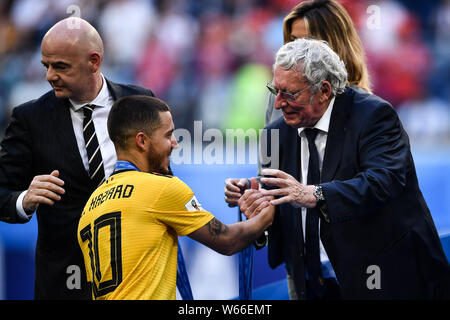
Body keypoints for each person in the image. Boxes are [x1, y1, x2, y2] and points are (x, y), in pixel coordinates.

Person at [242, 38, 450, 299]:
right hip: (314, 286)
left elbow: (383, 181)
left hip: (384, 280)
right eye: (276, 91)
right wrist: (258, 206)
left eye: (290, 94)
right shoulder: (275, 134)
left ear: (324, 90)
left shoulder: (374, 116)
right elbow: (280, 215)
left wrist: (315, 194)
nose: (278, 103)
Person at [0, 17, 155, 299]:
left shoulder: (140, 104)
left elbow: (164, 179)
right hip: (65, 282)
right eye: (45, 65)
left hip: (136, 278)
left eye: (60, 66)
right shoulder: (29, 118)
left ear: (94, 62)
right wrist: (25, 199)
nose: (49, 76)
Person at [77, 95, 274, 300]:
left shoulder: (91, 205)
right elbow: (228, 241)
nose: (175, 143)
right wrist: (269, 211)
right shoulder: (160, 188)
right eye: (168, 135)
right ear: (142, 141)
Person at [265, 0, 371, 126]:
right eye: (293, 41)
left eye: (309, 41)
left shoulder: (365, 107)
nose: (299, 48)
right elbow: (271, 144)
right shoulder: (279, 99)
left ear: (336, 45)